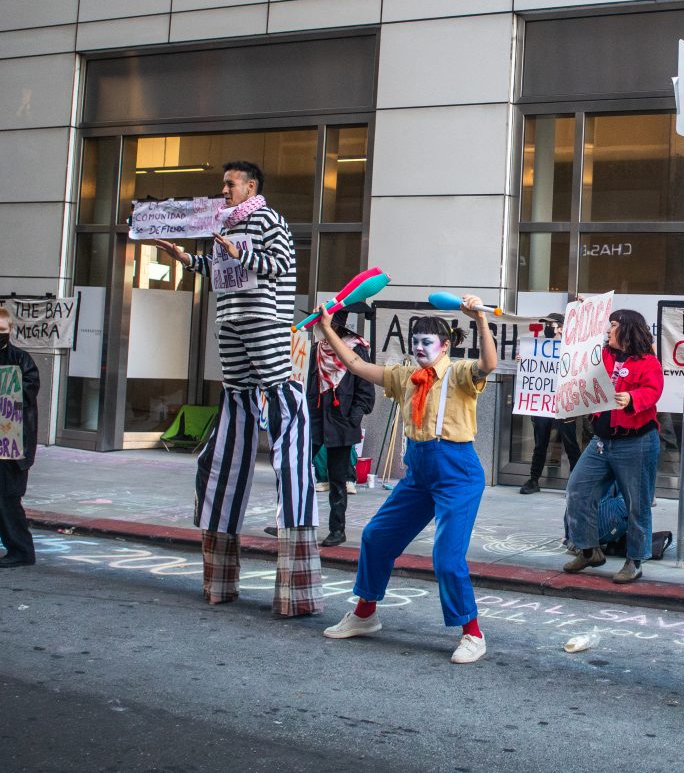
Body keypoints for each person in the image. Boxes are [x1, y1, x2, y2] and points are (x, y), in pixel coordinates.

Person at [151, 160, 322, 617]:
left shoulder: (270, 220)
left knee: (282, 401)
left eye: (229, 183)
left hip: (265, 320)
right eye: (223, 183)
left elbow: (278, 264)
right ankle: (220, 578)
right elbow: (220, 271)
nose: (222, 189)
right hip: (229, 322)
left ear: (251, 186)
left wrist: (238, 251)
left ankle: (296, 582)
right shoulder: (221, 224)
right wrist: (187, 259)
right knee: (237, 407)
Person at [320, 296, 496, 664]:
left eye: (427, 341)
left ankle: (473, 634)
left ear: (445, 345)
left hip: (458, 474)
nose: (419, 347)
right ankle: (365, 615)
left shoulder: (460, 373)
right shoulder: (404, 377)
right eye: (415, 340)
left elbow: (489, 363)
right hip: (419, 473)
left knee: (447, 558)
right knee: (376, 536)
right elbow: (353, 363)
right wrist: (325, 329)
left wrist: (480, 318)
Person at [562, 308, 664, 584]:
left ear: (628, 329)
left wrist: (632, 398)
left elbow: (653, 390)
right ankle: (588, 550)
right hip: (602, 441)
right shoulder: (603, 355)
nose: (608, 330)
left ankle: (635, 560)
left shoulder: (648, 362)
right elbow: (587, 381)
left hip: (636, 442)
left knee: (637, 504)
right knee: (577, 490)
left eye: (614, 325)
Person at [307, 303, 375, 548]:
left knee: (337, 480)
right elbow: (309, 384)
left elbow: (365, 388)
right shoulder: (317, 349)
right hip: (315, 418)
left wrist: (353, 416)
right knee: (297, 471)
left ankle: (337, 529)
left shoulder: (356, 349)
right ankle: (292, 522)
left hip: (341, 420)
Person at [520, 313, 581, 494]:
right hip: (543, 401)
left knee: (570, 443)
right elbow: (534, 369)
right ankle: (533, 479)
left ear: (561, 328)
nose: (547, 327)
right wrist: (525, 361)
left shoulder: (571, 348)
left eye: (551, 324)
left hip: (564, 401)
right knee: (540, 442)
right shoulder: (538, 348)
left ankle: (576, 483)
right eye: (546, 324)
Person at [0, 309, 39, 568]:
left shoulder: (21, 360)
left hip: (10, 445)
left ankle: (21, 550)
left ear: (10, 330)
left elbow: (25, 394)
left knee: (7, 499)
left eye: (2, 330)